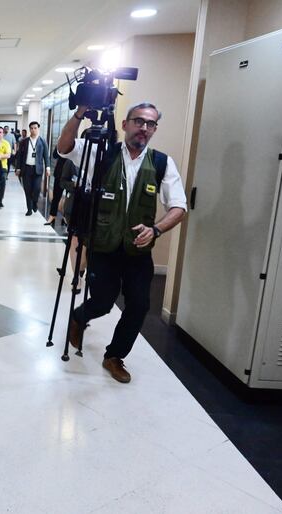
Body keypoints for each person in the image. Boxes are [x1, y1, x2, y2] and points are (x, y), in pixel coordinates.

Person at [57, 102, 186, 383]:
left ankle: (114, 356)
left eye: (150, 124)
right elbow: (64, 148)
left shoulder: (161, 163)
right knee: (103, 302)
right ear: (126, 124)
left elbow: (179, 207)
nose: (144, 128)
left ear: (154, 129)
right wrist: (80, 113)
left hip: (138, 250)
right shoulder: (101, 154)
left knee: (139, 305)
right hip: (103, 246)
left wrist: (156, 229)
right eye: (139, 121)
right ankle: (79, 317)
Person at [15, 121, 50, 216]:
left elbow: (46, 156)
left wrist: (47, 167)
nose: (33, 130)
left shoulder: (42, 141)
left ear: (38, 129)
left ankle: (35, 202)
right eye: (31, 128)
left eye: (35, 128)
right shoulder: (24, 141)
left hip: (37, 169)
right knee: (27, 189)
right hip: (26, 169)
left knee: (37, 188)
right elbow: (19, 156)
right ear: (29, 129)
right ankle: (29, 209)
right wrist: (18, 168)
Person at [46, 148, 67, 225]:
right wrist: (60, 146)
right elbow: (54, 155)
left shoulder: (76, 145)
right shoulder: (61, 144)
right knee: (56, 197)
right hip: (59, 173)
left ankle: (65, 218)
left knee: (69, 198)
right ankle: (52, 216)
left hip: (71, 172)